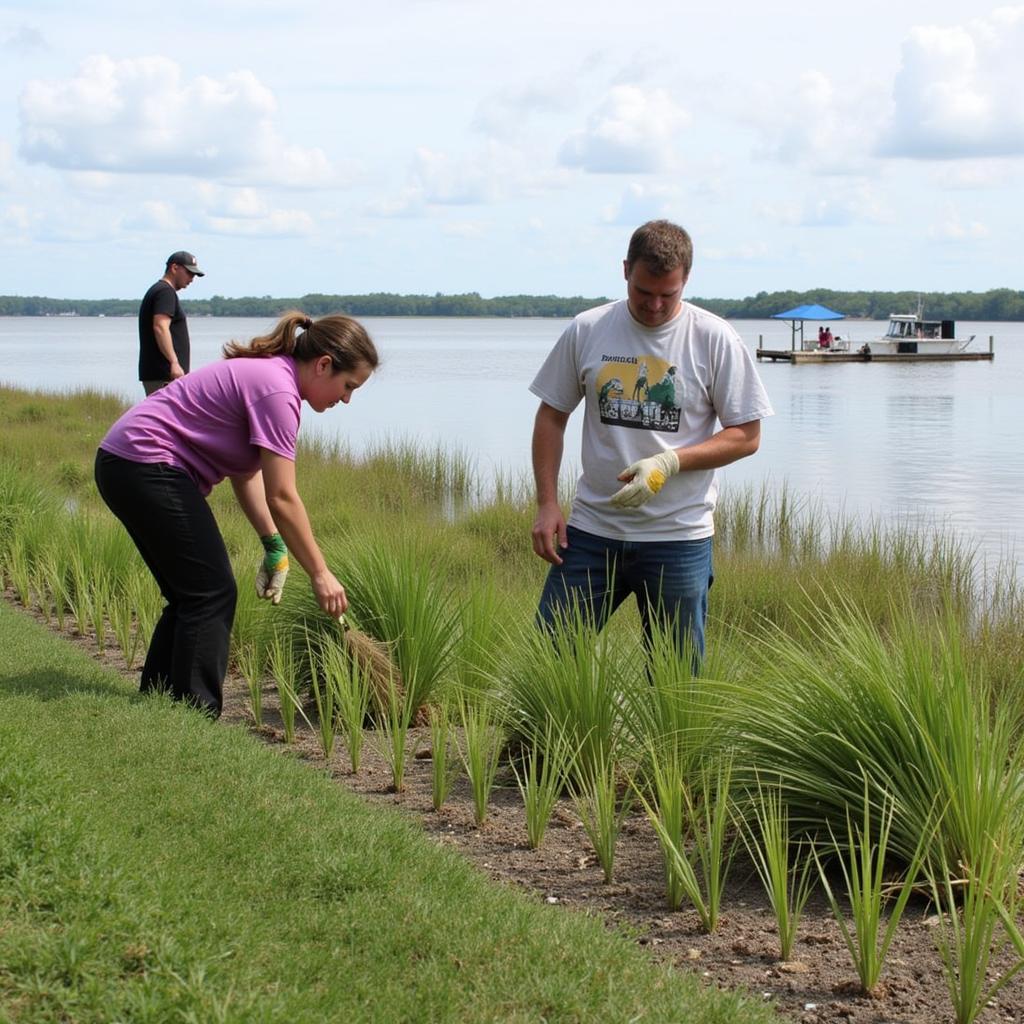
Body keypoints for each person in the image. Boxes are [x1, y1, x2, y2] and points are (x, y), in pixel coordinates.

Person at [96, 310, 379, 716]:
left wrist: (274, 546)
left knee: (190, 594)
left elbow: (246, 476)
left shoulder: (272, 376)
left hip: (124, 464)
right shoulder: (278, 393)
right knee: (211, 592)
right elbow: (283, 497)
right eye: (348, 386)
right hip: (145, 465)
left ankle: (158, 704)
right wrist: (321, 574)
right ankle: (196, 716)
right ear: (323, 365)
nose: (347, 399)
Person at [529, 220, 773, 668]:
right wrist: (548, 504)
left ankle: (672, 743)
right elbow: (551, 416)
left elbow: (746, 436)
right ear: (625, 270)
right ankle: (538, 741)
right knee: (550, 657)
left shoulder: (714, 338)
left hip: (678, 537)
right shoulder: (588, 330)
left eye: (669, 294)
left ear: (686, 281)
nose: (656, 306)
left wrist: (670, 461)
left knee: (674, 678)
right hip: (591, 531)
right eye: (644, 292)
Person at [138, 251, 205, 396]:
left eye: (194, 275)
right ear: (174, 268)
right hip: (164, 375)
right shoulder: (165, 292)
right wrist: (174, 363)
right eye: (189, 273)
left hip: (162, 374)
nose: (191, 279)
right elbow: (160, 327)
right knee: (166, 418)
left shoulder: (159, 290)